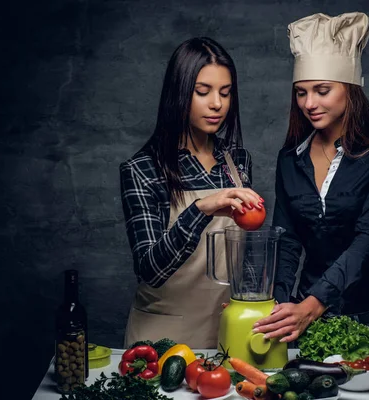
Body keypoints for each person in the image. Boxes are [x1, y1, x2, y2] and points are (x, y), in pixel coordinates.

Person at [253, 12, 369, 346]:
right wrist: (281, 304)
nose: (309, 104)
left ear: (350, 89)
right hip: (310, 319)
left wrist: (312, 304)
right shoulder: (290, 158)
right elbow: (287, 238)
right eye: (301, 93)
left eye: (322, 90)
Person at [119, 37, 264, 349]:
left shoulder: (237, 161)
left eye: (225, 93)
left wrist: (253, 305)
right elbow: (151, 269)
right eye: (203, 92)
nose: (217, 104)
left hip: (229, 329)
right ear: (179, 93)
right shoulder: (143, 169)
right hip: (163, 337)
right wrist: (200, 209)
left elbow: (241, 254)